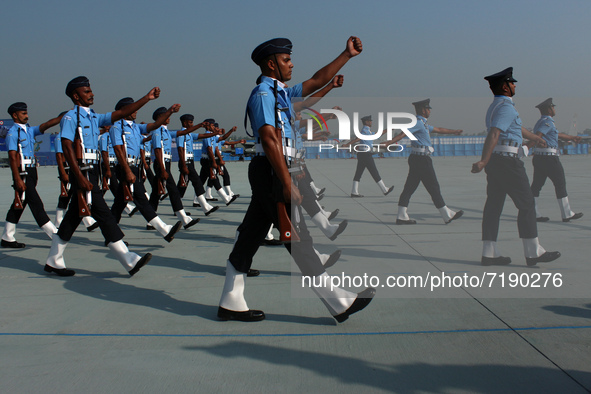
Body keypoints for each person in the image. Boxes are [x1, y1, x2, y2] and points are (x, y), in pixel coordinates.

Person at [218, 36, 375, 323]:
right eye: (286, 60)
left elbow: (316, 81)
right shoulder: (263, 95)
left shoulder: (281, 94)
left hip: (275, 169)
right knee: (298, 236)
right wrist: (287, 181)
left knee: (251, 235)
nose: (292, 64)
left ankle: (231, 299)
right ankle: (337, 301)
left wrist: (346, 55)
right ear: (271, 64)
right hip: (271, 171)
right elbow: (267, 138)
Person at [45, 76, 159, 277]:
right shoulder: (71, 118)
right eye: (87, 91)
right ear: (75, 95)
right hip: (83, 172)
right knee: (104, 214)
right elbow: (66, 147)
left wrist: (147, 98)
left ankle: (54, 260)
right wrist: (78, 176)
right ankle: (128, 259)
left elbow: (122, 112)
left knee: (73, 217)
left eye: (91, 90)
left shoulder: (93, 117)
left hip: (92, 170)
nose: (92, 94)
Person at [471, 67, 560, 266]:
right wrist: (483, 160)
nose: (514, 85)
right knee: (527, 204)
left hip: (497, 161)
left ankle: (489, 252)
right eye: (511, 82)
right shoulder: (506, 107)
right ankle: (533, 251)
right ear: (504, 86)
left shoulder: (496, 107)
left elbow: (516, 128)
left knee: (494, 206)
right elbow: (494, 133)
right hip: (508, 162)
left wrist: (536, 137)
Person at [108, 97, 183, 242]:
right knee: (141, 198)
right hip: (125, 167)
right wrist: (127, 171)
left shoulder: (135, 127)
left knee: (119, 204)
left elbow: (155, 124)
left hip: (134, 166)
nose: (136, 110)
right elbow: (118, 150)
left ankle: (110, 235)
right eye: (132, 108)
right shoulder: (117, 127)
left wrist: (170, 112)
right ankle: (163, 229)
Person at [383, 99, 464, 224]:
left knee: (409, 188)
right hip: (421, 159)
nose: (430, 111)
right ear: (423, 110)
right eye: (428, 108)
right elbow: (403, 133)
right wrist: (389, 143)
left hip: (418, 158)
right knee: (433, 187)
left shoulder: (423, 123)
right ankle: (446, 214)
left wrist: (454, 131)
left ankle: (401, 216)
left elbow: (439, 129)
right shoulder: (417, 123)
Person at [1, 103, 60, 248]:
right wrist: (17, 179)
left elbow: (45, 125)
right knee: (36, 203)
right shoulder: (13, 133)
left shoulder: (29, 130)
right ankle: (55, 235)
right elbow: (13, 158)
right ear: (15, 115)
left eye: (26, 113)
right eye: (23, 113)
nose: (26, 116)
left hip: (32, 171)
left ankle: (7, 237)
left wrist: (62, 117)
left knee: (20, 204)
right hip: (22, 172)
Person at [529, 98, 583, 223]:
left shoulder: (542, 122)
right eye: (553, 107)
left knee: (536, 186)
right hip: (549, 158)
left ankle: (534, 213)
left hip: (540, 158)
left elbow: (556, 135)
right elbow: (538, 136)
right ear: (549, 109)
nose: (554, 109)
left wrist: (572, 137)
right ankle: (566, 213)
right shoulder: (547, 122)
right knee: (560, 184)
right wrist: (530, 145)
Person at [148, 107, 202, 229]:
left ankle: (150, 221)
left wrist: (199, 125)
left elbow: (183, 132)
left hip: (166, 162)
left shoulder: (166, 131)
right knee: (173, 190)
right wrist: (162, 170)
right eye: (166, 115)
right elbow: (157, 151)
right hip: (161, 163)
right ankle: (184, 219)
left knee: (156, 193)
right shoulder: (157, 131)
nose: (169, 118)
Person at [54, 130, 99, 232]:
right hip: (66, 168)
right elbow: (59, 155)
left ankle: (88, 221)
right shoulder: (60, 136)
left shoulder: (72, 134)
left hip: (73, 167)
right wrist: (63, 173)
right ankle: (58, 220)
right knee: (66, 195)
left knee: (75, 194)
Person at [176, 114, 220, 215]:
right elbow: (180, 149)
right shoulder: (181, 134)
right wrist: (183, 165)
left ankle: (178, 209)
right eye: (190, 122)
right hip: (185, 162)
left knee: (182, 185)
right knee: (197, 183)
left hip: (189, 161)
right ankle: (205, 207)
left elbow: (203, 135)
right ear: (185, 123)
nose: (192, 124)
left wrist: (215, 133)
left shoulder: (190, 134)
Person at [342, 115, 394, 198]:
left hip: (363, 154)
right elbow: (358, 138)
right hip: (365, 154)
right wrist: (347, 144)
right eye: (370, 121)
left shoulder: (368, 131)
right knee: (374, 172)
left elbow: (378, 134)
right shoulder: (364, 131)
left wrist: (388, 129)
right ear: (366, 122)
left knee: (358, 173)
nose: (371, 122)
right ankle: (384, 190)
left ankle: (354, 192)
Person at [198, 119, 237, 206]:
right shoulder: (207, 135)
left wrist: (231, 130)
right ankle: (226, 198)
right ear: (208, 126)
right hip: (207, 160)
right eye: (212, 125)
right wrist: (214, 162)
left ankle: (196, 200)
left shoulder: (212, 136)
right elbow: (209, 149)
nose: (213, 127)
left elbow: (222, 138)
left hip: (208, 160)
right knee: (214, 179)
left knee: (201, 181)